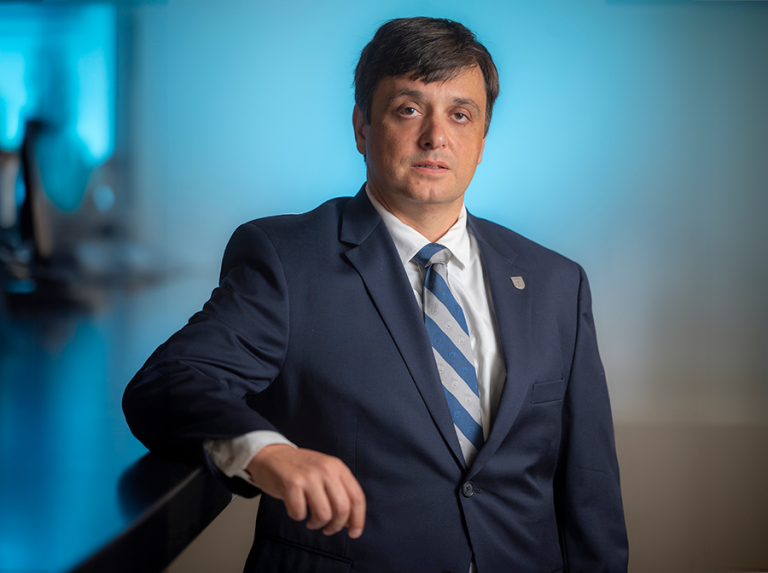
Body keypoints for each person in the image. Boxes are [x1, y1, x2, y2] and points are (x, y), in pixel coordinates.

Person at [123, 16, 628, 573]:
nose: (436, 137)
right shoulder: (286, 258)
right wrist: (268, 452)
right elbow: (169, 383)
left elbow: (589, 488)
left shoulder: (556, 281)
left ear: (481, 140)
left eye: (461, 115)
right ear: (362, 127)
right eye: (409, 109)